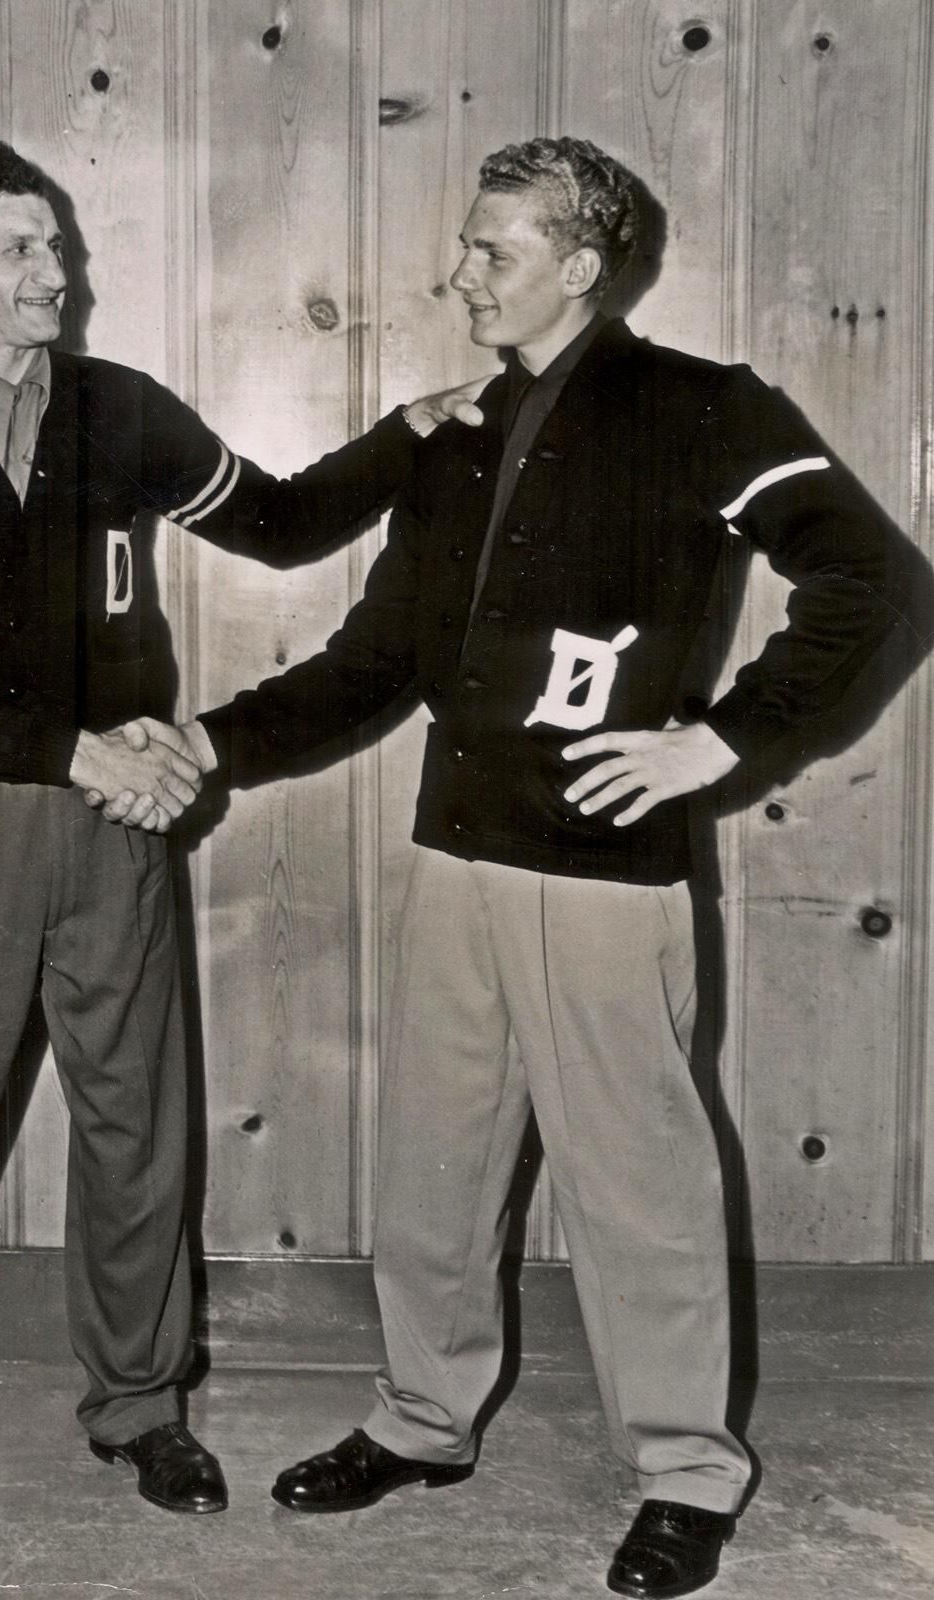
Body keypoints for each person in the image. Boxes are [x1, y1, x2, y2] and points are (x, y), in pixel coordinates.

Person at [144, 136, 914, 1597]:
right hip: (457, 854)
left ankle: (685, 1472)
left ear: (581, 265)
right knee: (432, 1173)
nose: (461, 274)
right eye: (466, 245)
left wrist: (722, 740)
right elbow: (377, 659)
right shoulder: (454, 436)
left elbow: (876, 582)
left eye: (491, 251)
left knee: (639, 1190)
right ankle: (423, 1421)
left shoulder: (706, 407)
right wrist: (208, 741)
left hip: (603, 876)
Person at [0, 135, 482, 1536]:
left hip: (118, 827)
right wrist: (72, 750)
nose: (52, 271)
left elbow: (283, 525)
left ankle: (141, 1407)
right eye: (18, 247)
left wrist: (408, 434)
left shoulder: (120, 408)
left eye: (56, 244)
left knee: (136, 1132)